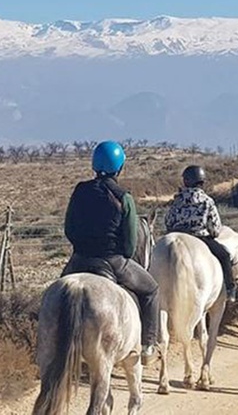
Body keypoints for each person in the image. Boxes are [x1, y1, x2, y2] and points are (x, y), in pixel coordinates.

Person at [62, 140, 159, 363]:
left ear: (94, 165)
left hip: (79, 259)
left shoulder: (79, 190)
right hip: (112, 260)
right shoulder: (124, 198)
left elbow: (69, 229)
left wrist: (81, 247)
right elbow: (130, 244)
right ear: (120, 167)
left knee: (53, 296)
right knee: (152, 290)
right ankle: (147, 346)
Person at [165, 165, 238, 302]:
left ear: (185, 181)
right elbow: (216, 228)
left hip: (176, 235)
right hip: (199, 237)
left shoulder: (177, 200)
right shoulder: (207, 201)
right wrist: (210, 232)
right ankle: (230, 289)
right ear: (202, 182)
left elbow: (168, 222)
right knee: (224, 255)